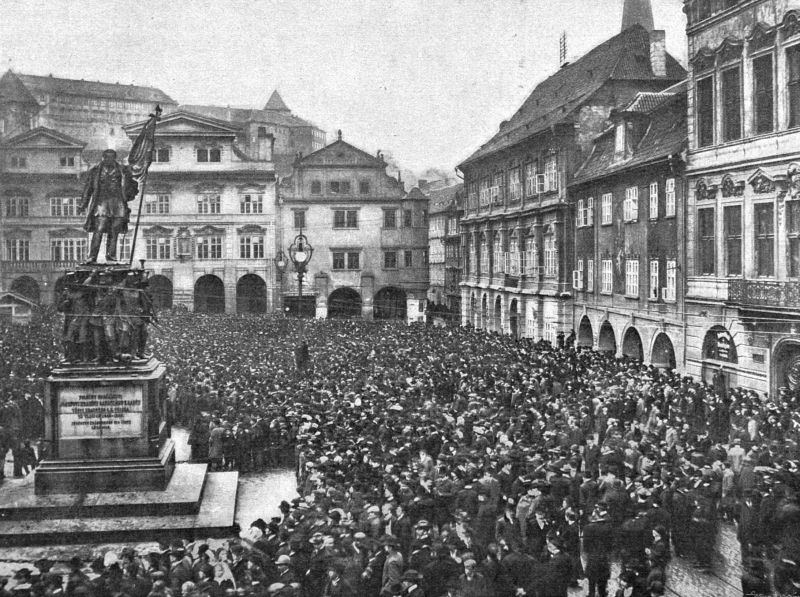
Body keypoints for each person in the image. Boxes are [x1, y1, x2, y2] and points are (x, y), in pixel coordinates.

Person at [81, 149, 139, 264]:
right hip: (101, 203)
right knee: (99, 229)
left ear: (115, 158)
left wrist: (130, 192)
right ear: (103, 157)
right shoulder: (95, 171)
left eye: (111, 157)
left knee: (114, 231)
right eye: (106, 157)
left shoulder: (122, 170)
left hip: (118, 203)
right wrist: (83, 204)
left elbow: (132, 185)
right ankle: (92, 257)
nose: (109, 159)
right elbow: (88, 188)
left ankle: (111, 257)